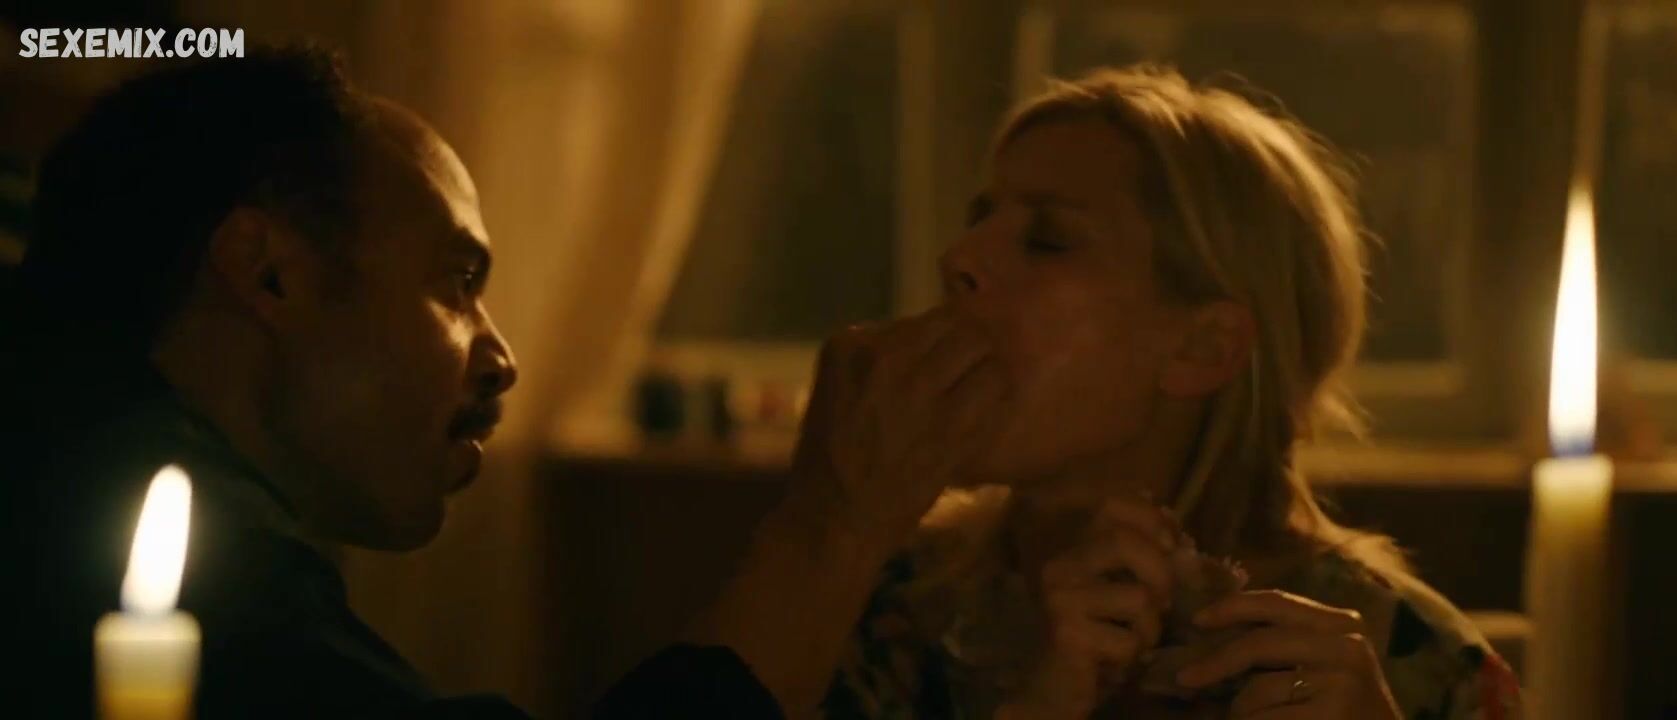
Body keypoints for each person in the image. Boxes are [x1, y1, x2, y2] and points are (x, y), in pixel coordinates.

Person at [4, 45, 1009, 719]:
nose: (502, 357)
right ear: (270, 273)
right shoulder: (156, 550)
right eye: (458, 283)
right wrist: (831, 529)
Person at [811, 67, 1525, 719]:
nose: (959, 258)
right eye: (980, 220)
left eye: (1048, 240)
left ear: (1203, 347)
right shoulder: (875, 615)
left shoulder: (1417, 666)